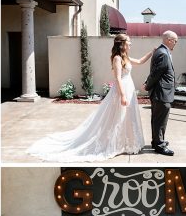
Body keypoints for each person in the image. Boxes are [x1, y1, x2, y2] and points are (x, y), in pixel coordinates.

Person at [27, 34, 151, 162]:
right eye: (129, 42)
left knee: (127, 117)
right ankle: (114, 143)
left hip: (129, 88)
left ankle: (127, 143)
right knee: (116, 117)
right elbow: (118, 78)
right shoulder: (117, 58)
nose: (131, 44)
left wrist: (152, 52)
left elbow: (141, 61)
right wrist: (123, 95)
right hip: (122, 90)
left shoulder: (126, 58)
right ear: (122, 44)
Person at [145, 31, 178, 157]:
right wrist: (147, 85)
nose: (175, 43)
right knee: (160, 120)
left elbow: (156, 72)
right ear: (169, 40)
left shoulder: (161, 51)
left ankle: (157, 141)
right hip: (162, 93)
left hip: (161, 92)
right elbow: (156, 73)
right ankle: (159, 145)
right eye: (175, 41)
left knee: (157, 119)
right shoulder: (163, 53)